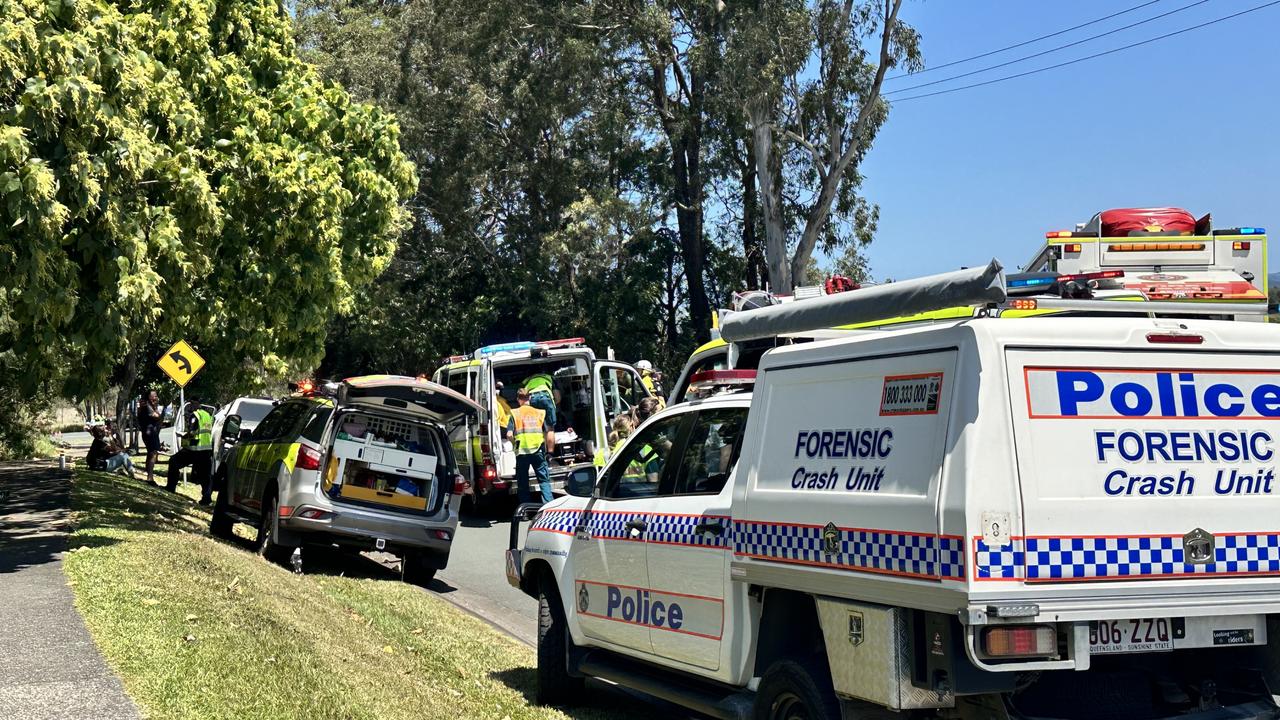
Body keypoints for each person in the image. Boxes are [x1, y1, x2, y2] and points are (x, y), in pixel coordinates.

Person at [508, 388, 554, 504]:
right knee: (543, 479)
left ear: (518, 399)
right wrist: (549, 451)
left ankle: (525, 511)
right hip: (538, 450)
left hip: (522, 452)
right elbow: (548, 432)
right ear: (529, 398)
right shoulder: (539, 413)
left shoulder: (514, 413)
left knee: (523, 482)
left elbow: (509, 435)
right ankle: (548, 507)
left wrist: (515, 444)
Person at [167, 399, 215, 505]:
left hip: (194, 448)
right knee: (205, 475)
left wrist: (184, 437)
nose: (190, 407)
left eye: (192, 404)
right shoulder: (207, 415)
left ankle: (170, 488)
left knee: (174, 461)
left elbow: (192, 431)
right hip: (206, 450)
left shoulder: (195, 415)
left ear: (196, 404)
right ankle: (206, 498)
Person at [137, 390, 162, 485]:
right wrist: (156, 408)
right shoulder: (147, 406)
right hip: (150, 432)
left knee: (150, 453)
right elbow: (156, 416)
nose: (156, 397)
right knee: (153, 453)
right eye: (154, 396)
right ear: (150, 397)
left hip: (147, 432)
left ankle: (149, 474)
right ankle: (150, 477)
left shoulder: (144, 406)